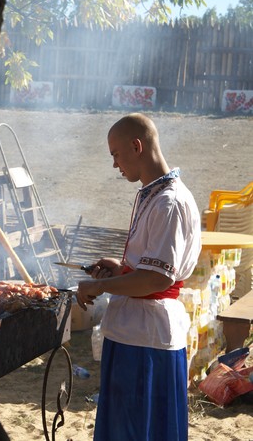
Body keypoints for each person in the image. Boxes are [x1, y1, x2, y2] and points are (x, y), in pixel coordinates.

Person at [76, 113, 201, 441]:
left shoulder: (169, 202)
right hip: (131, 331)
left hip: (147, 338)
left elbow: (157, 280)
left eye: (116, 154)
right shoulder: (151, 195)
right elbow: (148, 270)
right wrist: (120, 270)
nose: (115, 164)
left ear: (137, 146)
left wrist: (100, 286)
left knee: (139, 430)